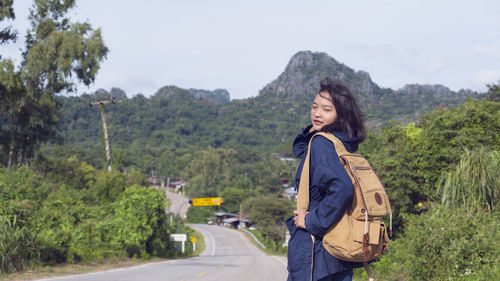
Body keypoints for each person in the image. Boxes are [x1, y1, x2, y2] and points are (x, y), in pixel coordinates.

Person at [287, 77, 366, 281]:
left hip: (315, 251)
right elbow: (302, 150)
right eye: (314, 107)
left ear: (341, 114)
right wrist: (312, 132)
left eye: (326, 109)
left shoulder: (323, 144)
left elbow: (343, 188)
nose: (317, 113)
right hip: (336, 251)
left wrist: (312, 220)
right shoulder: (342, 144)